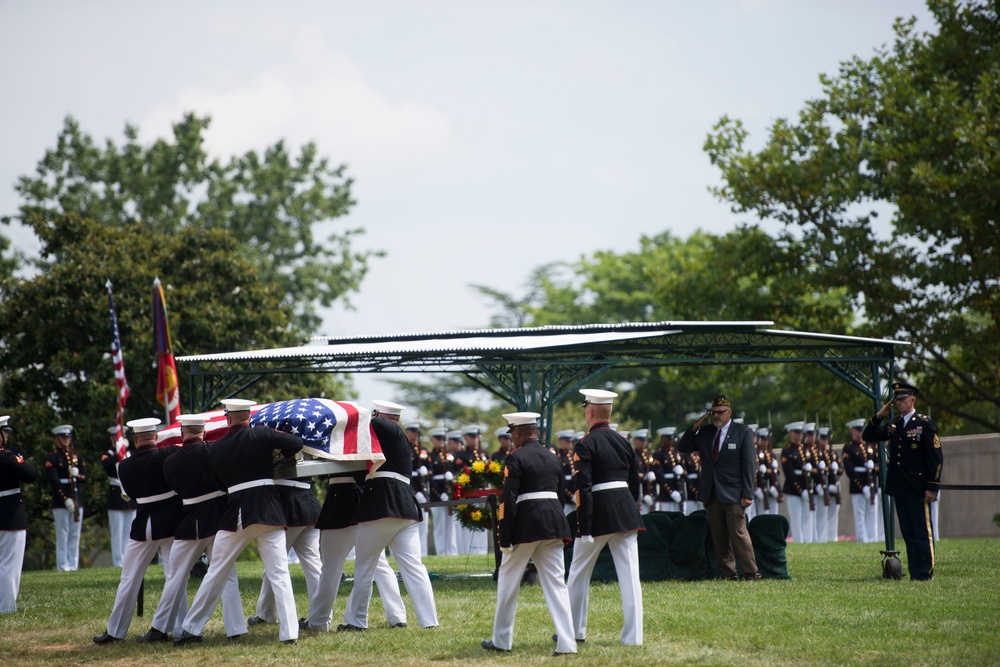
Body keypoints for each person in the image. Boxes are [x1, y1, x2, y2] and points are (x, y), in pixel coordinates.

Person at [175, 398, 303, 645]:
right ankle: (289, 634)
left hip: (238, 512)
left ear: (228, 417)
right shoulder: (262, 434)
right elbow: (295, 443)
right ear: (249, 416)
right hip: (268, 510)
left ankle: (192, 628)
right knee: (279, 573)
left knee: (217, 571)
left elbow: (218, 483)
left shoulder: (216, 448)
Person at [136, 414, 245, 642]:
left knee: (175, 577)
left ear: (182, 433)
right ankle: (235, 629)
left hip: (189, 522)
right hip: (217, 518)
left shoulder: (170, 462)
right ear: (203, 432)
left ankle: (160, 628)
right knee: (227, 575)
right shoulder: (213, 452)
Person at [481, 411, 576, 656]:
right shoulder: (553, 457)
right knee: (557, 583)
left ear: (518, 432)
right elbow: (560, 496)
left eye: (512, 433)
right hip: (553, 524)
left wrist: (504, 537)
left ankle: (502, 640)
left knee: (508, 582)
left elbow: (509, 499)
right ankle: (568, 643)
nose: (512, 438)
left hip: (526, 526)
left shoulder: (515, 457)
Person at [339, 400, 438, 631]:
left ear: (380, 415)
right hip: (405, 508)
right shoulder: (397, 437)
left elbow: (370, 425)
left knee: (364, 565)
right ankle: (429, 621)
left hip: (382, 505)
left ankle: (356, 621)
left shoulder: (385, 427)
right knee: (414, 567)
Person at [565, 388, 644, 646]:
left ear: (589, 412)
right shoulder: (623, 441)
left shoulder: (585, 444)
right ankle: (634, 637)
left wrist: (584, 527)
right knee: (631, 577)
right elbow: (634, 483)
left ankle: (573, 631)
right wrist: (630, 506)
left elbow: (583, 488)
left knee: (579, 573)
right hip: (625, 512)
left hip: (598, 515)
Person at [93, 418, 182, 644]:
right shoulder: (169, 453)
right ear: (156, 436)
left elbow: (131, 495)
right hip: (171, 522)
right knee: (175, 577)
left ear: (135, 439)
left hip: (145, 524)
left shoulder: (124, 466)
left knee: (129, 578)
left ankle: (116, 631)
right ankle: (178, 628)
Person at [303, 466, 406, 632]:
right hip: (363, 500)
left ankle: (318, 621)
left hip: (339, 503)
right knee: (379, 565)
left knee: (331, 569)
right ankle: (397, 616)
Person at [862, 381, 942, 581]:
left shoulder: (924, 424)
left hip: (917, 486)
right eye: (896, 399)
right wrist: (880, 415)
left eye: (902, 399)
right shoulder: (894, 423)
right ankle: (915, 573)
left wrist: (932, 486)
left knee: (922, 531)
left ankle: (925, 572)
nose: (898, 402)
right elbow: (868, 435)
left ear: (912, 400)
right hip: (899, 486)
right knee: (908, 532)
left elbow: (935, 458)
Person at [679, 397, 761, 581]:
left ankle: (751, 572)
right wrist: (697, 424)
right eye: (713, 413)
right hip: (712, 491)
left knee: (738, 533)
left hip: (734, 492)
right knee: (719, 535)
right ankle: (729, 573)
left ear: (729, 412)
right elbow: (683, 446)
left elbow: (749, 465)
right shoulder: (706, 432)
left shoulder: (742, 431)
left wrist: (748, 493)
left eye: (720, 412)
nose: (716, 416)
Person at [248, 466, 322, 630]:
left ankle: (266, 614)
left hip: (288, 504)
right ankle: (321, 619)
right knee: (313, 565)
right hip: (308, 503)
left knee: (274, 564)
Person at [0, 415, 39, 614]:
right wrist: (18, 458)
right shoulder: (7, 457)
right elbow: (31, 474)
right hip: (10, 515)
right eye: (4, 432)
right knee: (10, 564)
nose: (6, 436)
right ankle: (6, 608)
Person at [44, 424, 86, 571]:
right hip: (60, 500)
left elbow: (85, 477)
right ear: (57, 439)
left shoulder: (76, 456)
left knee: (75, 534)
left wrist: (78, 475)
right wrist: (65, 498)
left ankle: (73, 565)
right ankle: (62, 565)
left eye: (68, 437)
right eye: (63, 437)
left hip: (76, 497)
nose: (66, 440)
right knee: (62, 534)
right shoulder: (52, 457)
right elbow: (54, 481)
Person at [101, 426, 137, 568]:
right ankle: (118, 561)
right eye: (117, 438)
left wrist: (124, 451)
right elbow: (107, 465)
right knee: (117, 532)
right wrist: (119, 452)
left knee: (130, 531)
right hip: (116, 497)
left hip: (130, 495)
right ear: (112, 439)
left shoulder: (131, 453)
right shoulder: (107, 454)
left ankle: (128, 559)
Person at [454, 426, 489, 555]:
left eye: (476, 437)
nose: (474, 439)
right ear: (465, 438)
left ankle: (482, 549)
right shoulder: (461, 455)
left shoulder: (483, 453)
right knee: (470, 522)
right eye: (472, 437)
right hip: (470, 493)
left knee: (483, 520)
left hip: (482, 491)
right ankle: (470, 550)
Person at [843, 418, 877, 543]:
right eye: (858, 430)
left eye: (861, 430)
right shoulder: (849, 448)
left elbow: (879, 464)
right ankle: (862, 539)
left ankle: (872, 538)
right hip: (858, 486)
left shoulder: (869, 446)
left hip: (871, 483)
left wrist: (874, 467)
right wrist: (862, 486)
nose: (860, 432)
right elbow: (849, 470)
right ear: (852, 430)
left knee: (872, 513)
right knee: (860, 514)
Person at [427, 427, 456, 555]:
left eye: (443, 439)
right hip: (437, 496)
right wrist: (440, 494)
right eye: (438, 439)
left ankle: (451, 552)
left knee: (450, 526)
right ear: (432, 440)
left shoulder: (448, 455)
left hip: (449, 494)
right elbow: (430, 479)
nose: (441, 441)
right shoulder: (430, 456)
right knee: (440, 527)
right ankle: (441, 552)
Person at [405, 421, 430, 556]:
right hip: (410, 489)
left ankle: (423, 551)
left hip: (422, 489)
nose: (416, 435)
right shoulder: (405, 447)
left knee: (423, 524)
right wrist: (414, 492)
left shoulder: (421, 449)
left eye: (417, 433)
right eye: (413, 432)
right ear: (407, 432)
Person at [652, 427, 684, 512]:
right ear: (662, 439)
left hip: (677, 488)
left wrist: (682, 470)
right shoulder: (658, 454)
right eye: (669, 439)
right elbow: (659, 476)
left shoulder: (676, 453)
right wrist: (671, 491)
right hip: (665, 492)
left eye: (672, 439)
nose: (671, 441)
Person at [752, 427, 780, 517]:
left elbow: (777, 471)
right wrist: (756, 488)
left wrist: (775, 469)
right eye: (763, 439)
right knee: (762, 514)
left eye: (767, 439)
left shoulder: (770, 453)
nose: (766, 442)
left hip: (771, 487)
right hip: (761, 487)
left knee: (773, 514)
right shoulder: (756, 453)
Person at [633, 429, 656, 515]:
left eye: (644, 441)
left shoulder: (648, 454)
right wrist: (645, 476)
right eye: (641, 440)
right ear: (635, 441)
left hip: (650, 493)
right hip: (641, 494)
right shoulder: (633, 455)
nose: (643, 443)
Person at [554, 430, 576, 515]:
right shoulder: (558, 457)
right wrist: (570, 495)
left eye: (570, 441)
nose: (570, 443)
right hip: (565, 497)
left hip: (574, 494)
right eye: (567, 441)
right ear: (560, 441)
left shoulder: (572, 455)